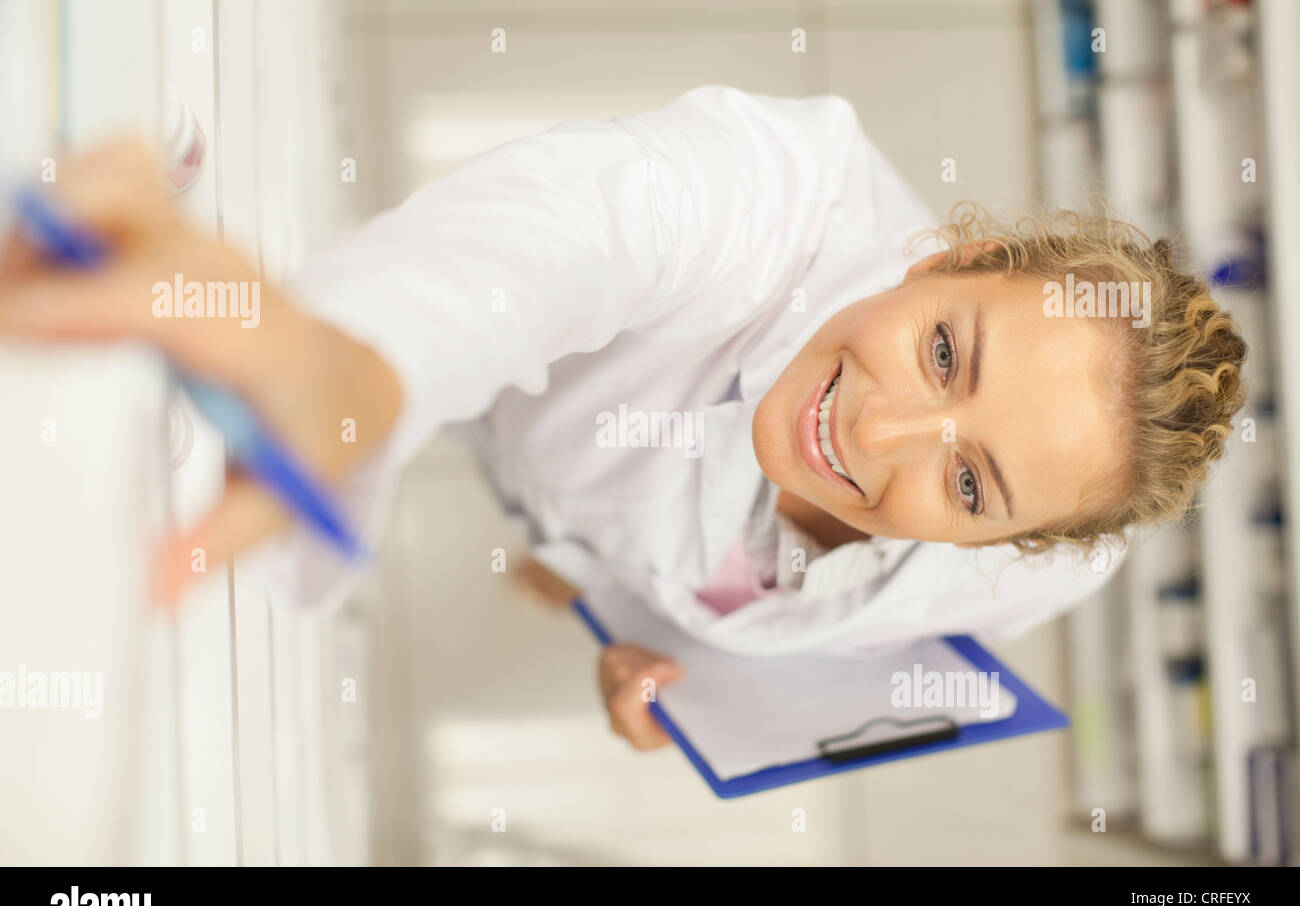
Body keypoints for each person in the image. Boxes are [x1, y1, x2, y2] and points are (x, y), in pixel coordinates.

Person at [0, 86, 1246, 750]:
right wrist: (355, 372)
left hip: (554, 506)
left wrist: (657, 645)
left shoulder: (1047, 578)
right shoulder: (783, 192)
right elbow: (574, 236)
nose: (876, 437)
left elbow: (837, 657)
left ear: (1007, 546)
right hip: (512, 394)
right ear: (947, 258)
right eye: (940, 352)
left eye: (972, 487)